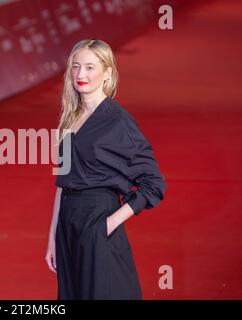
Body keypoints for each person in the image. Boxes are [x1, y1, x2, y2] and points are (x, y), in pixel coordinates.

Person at [45, 39, 167, 300]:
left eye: (90, 67)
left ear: (107, 73)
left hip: (98, 218)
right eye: (76, 67)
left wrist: (108, 224)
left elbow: (153, 184)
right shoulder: (70, 116)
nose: (81, 75)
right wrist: (53, 236)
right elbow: (63, 182)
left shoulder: (117, 121)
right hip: (68, 223)